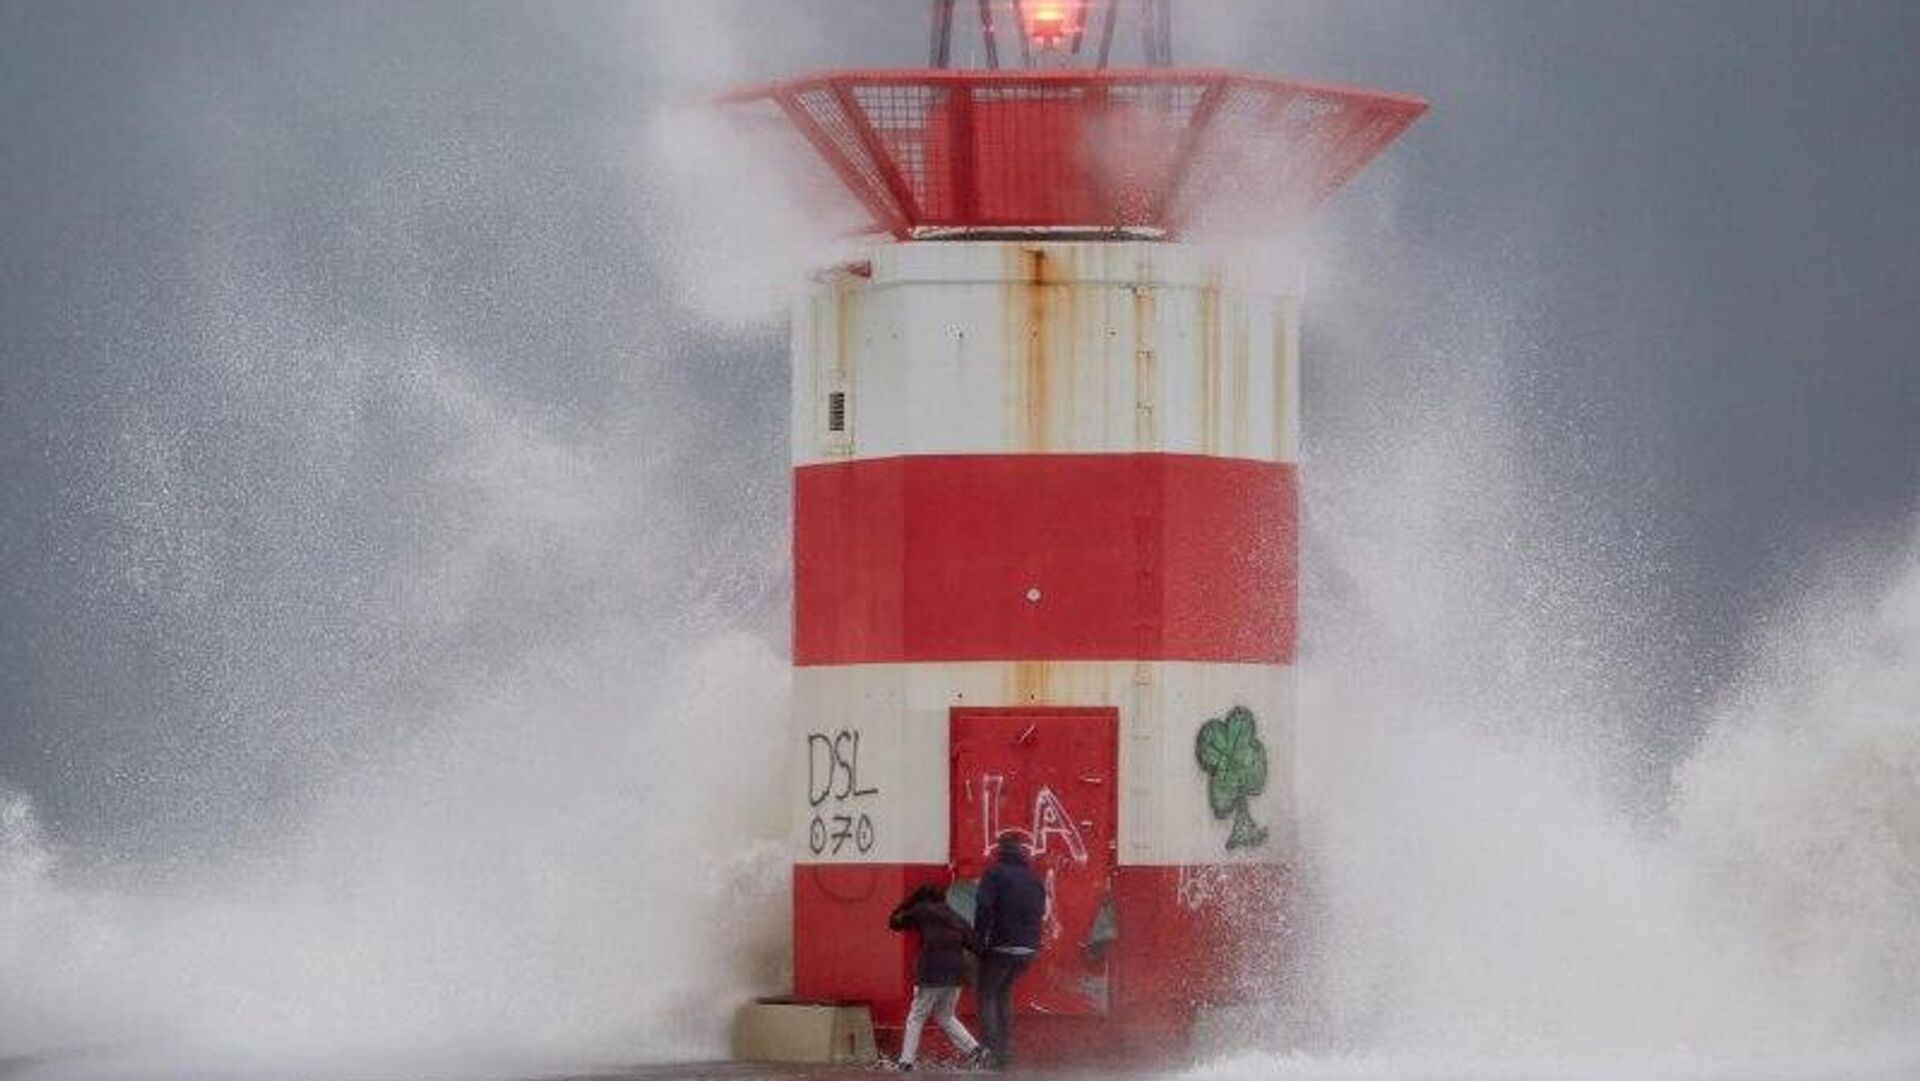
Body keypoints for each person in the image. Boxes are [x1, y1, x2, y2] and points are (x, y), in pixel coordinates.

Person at [888, 881, 985, 1072]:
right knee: (945, 1015)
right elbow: (976, 945)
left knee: (917, 1016)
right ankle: (975, 1049)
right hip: (955, 974)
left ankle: (906, 1062)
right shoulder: (955, 916)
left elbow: (894, 922)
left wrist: (909, 902)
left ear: (922, 899)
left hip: (931, 972)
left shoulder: (921, 910)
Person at [971, 831, 1046, 1069]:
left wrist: (978, 940)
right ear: (1022, 851)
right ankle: (1006, 1050)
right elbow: (1040, 910)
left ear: (1000, 851)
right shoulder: (1034, 878)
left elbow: (983, 908)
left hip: (1002, 945)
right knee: (1003, 994)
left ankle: (993, 1053)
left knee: (987, 995)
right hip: (1028, 949)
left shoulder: (994, 874)